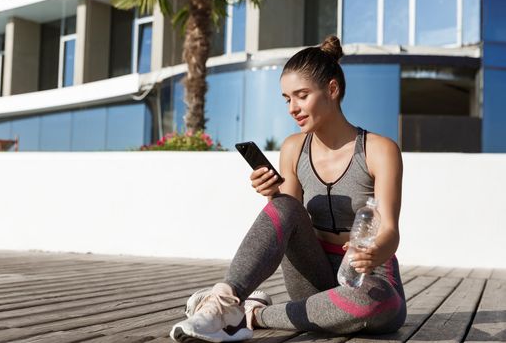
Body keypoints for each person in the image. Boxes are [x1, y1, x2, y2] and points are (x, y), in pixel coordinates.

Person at [170, 35, 407, 342]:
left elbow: (390, 231)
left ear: (332, 90)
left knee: (379, 301)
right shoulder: (294, 148)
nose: (292, 108)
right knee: (284, 204)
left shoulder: (379, 149)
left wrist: (373, 252)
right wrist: (272, 195)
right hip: (313, 274)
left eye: (301, 95)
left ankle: (253, 314)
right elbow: (290, 220)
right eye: (286, 98)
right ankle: (223, 302)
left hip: (366, 277)